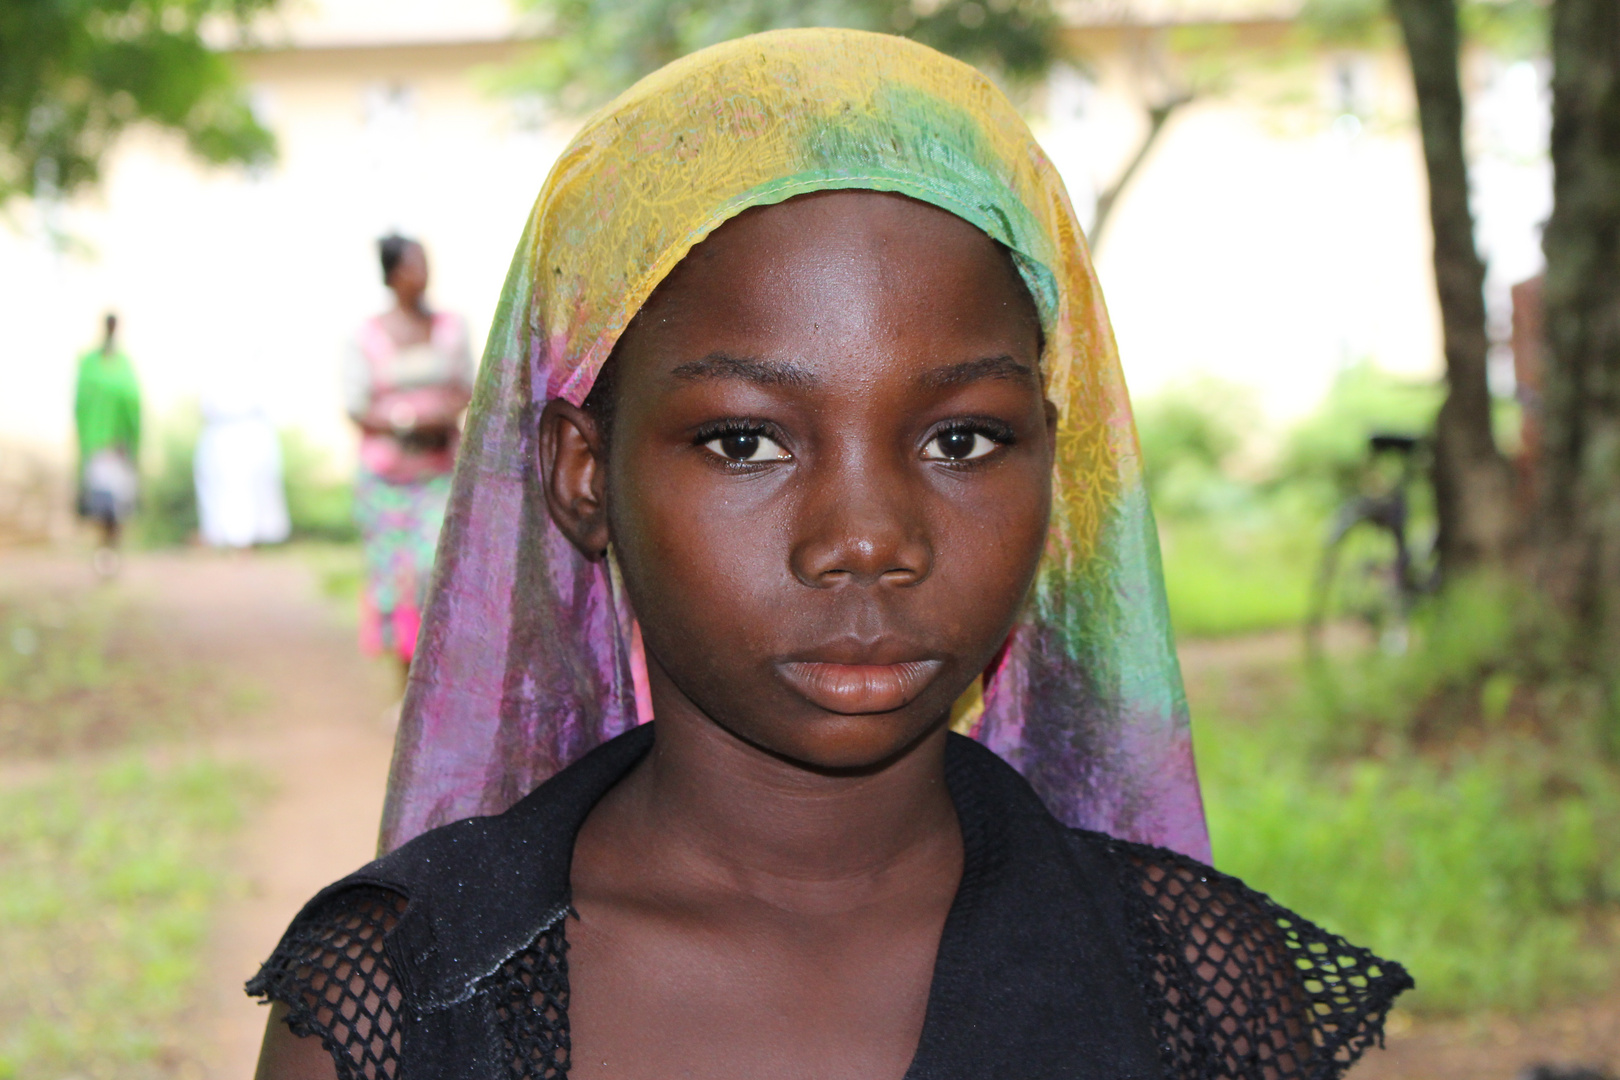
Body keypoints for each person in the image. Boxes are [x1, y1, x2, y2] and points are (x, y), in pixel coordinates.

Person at [249, 30, 1411, 1080]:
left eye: (962, 439)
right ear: (582, 473)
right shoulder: (394, 1007)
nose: (868, 539)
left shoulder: (1199, 986)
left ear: (1055, 463)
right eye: (745, 440)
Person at [345, 235, 473, 677]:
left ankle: (438, 682)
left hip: (438, 474)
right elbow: (356, 407)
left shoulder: (450, 329)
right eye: (414, 264)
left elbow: (465, 387)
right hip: (386, 483)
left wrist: (442, 419)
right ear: (393, 274)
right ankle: (406, 688)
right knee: (395, 587)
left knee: (432, 571)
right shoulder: (368, 337)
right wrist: (408, 424)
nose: (423, 271)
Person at [73, 312, 141, 573]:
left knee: (119, 504)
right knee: (100, 503)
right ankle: (103, 552)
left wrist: (130, 439)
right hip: (96, 443)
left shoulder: (124, 364)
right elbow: (81, 403)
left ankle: (114, 551)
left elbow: (133, 403)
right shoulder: (90, 364)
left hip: (119, 445)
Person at [194, 373, 291, 549]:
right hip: (223, 432)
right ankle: (230, 540)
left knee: (249, 492)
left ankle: (244, 543)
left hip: (248, 431)